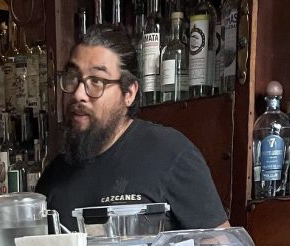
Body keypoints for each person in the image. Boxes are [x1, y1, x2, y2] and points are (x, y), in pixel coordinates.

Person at [36, 27, 230, 232]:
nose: (78, 94)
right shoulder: (55, 174)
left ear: (129, 92)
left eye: (96, 81)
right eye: (73, 77)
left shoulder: (170, 153)